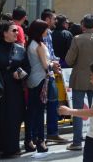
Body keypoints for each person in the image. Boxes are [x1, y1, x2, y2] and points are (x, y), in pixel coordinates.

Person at [0, 21, 31, 158]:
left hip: (15, 90)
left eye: (17, 31)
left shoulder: (20, 49)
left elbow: (27, 68)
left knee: (13, 118)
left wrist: (20, 73)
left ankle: (12, 148)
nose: (17, 33)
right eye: (13, 30)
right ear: (4, 33)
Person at [65, 14, 93, 151]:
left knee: (78, 111)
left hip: (79, 78)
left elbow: (69, 60)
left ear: (83, 25)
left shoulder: (77, 39)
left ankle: (77, 142)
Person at [24, 20, 53, 154]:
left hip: (32, 80)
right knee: (40, 112)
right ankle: (40, 140)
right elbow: (46, 65)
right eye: (46, 29)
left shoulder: (30, 43)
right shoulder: (39, 45)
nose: (48, 31)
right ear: (40, 30)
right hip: (40, 80)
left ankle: (29, 140)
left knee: (31, 111)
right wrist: (54, 66)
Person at [39, 9, 67, 145]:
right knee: (44, 105)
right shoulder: (41, 34)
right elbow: (43, 56)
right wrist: (53, 63)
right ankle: (41, 136)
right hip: (43, 74)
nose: (56, 21)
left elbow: (51, 53)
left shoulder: (49, 34)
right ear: (47, 19)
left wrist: (57, 62)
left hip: (51, 73)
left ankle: (52, 133)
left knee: (53, 103)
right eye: (54, 18)